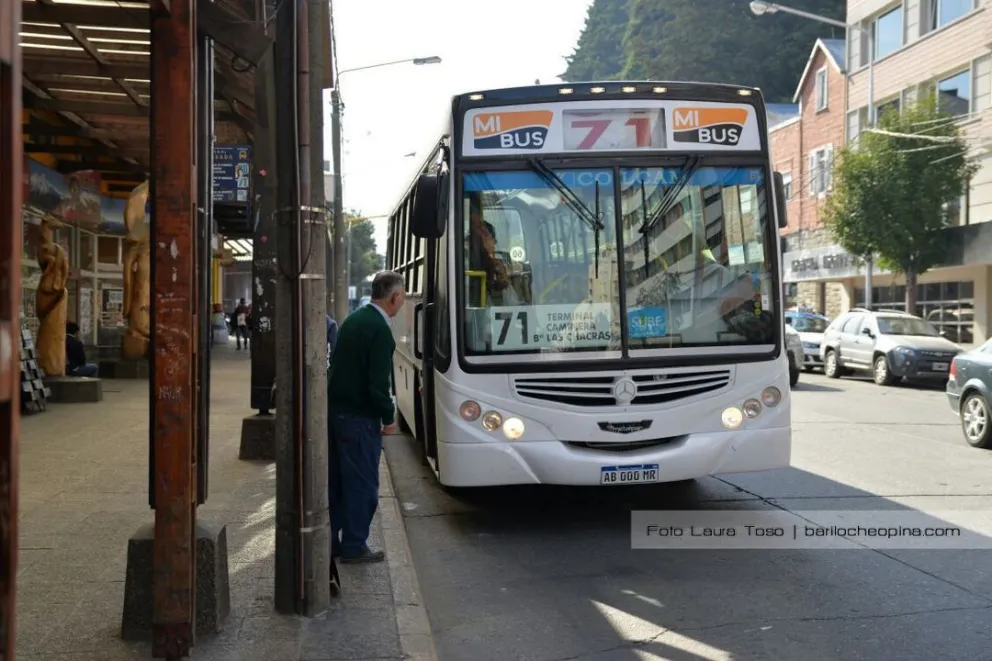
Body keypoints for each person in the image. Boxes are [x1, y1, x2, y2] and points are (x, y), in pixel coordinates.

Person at [327, 271, 406, 563]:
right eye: (403, 297)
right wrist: (388, 417)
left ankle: (331, 542)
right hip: (360, 419)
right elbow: (377, 385)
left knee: (337, 482)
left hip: (337, 413)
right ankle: (354, 546)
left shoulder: (354, 319)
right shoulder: (379, 330)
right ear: (394, 297)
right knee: (362, 485)